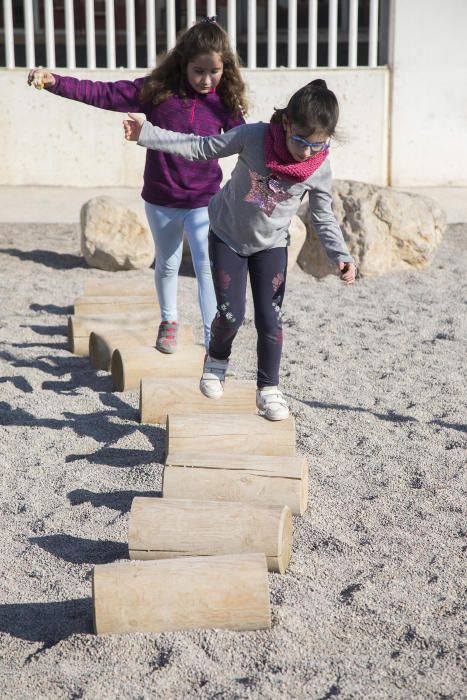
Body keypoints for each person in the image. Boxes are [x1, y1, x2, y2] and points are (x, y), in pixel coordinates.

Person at [124, 78, 356, 420]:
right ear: (287, 123)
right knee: (231, 315)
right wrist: (147, 133)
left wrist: (341, 255)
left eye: (318, 145)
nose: (307, 152)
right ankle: (216, 361)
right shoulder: (254, 137)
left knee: (271, 320)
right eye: (299, 141)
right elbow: (201, 147)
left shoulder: (318, 167)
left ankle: (268, 390)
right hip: (227, 236)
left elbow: (323, 217)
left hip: (272, 244)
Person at [27, 19, 247, 353]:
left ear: (224, 68)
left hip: (205, 200)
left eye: (213, 72)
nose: (206, 80)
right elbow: (103, 93)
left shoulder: (224, 103)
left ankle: (211, 337)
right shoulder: (157, 92)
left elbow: (245, 142)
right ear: (183, 62)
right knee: (168, 262)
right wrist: (55, 81)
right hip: (162, 199)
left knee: (206, 266)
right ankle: (169, 321)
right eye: (198, 71)